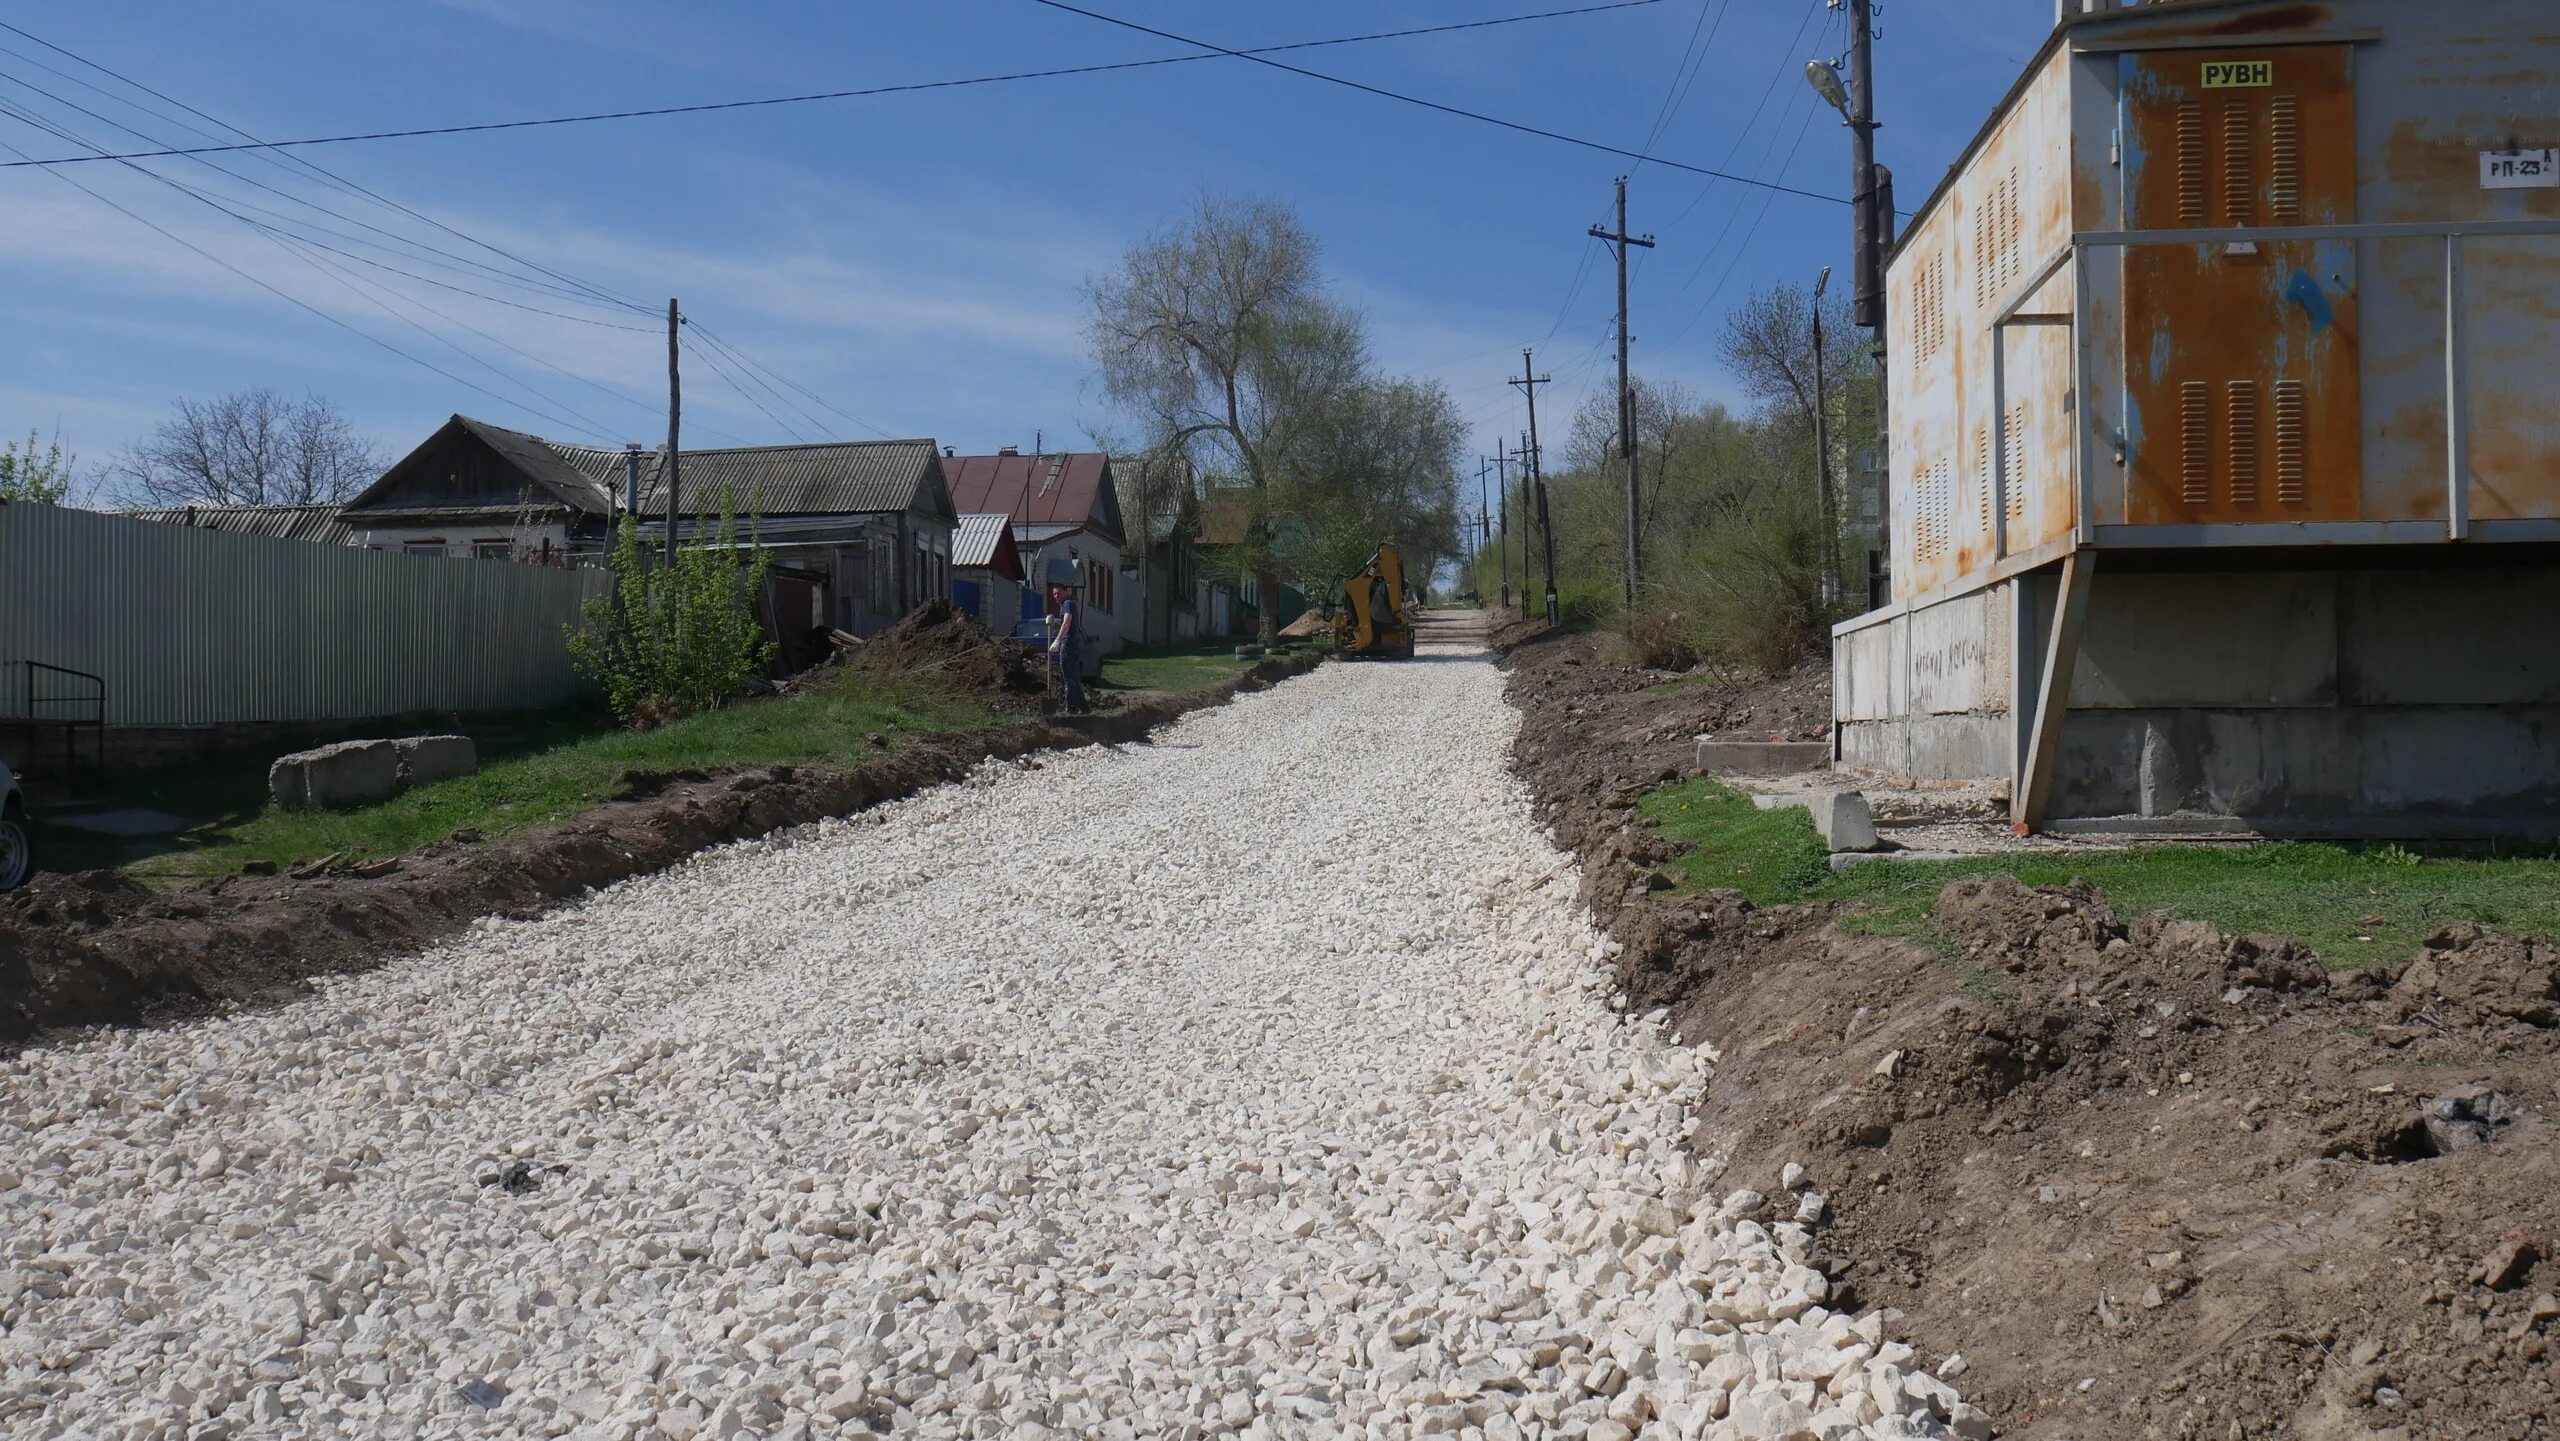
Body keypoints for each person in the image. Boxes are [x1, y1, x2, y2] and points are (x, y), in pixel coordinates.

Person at [1049, 583, 1087, 714]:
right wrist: (1053, 622)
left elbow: (1067, 622)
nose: (1055, 596)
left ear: (1065, 591)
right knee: (1073, 675)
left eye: (1057, 593)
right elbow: (1064, 622)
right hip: (1074, 642)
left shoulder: (1067, 603)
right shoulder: (1069, 603)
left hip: (1068, 642)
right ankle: (1083, 707)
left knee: (1067, 675)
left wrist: (1058, 640)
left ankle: (1071, 707)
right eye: (1053, 594)